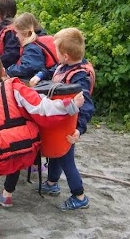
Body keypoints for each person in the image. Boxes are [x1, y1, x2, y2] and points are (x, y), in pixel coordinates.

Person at [0, 52, 84, 239]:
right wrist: (70, 105)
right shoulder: (15, 87)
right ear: (3, 71)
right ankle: (6, 194)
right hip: (30, 150)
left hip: (5, 152)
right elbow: (41, 106)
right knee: (16, 157)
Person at [30, 27, 95, 211]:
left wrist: (79, 129)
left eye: (57, 51)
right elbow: (53, 69)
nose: (55, 54)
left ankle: (79, 196)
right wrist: (40, 74)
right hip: (59, 119)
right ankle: (52, 183)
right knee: (55, 153)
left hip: (69, 125)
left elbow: (87, 106)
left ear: (65, 56)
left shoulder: (80, 77)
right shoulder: (65, 65)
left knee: (66, 158)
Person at [6, 12, 58, 79]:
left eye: (17, 32)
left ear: (26, 33)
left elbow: (30, 67)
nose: (16, 35)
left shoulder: (32, 47)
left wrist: (10, 70)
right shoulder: (45, 38)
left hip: (43, 81)